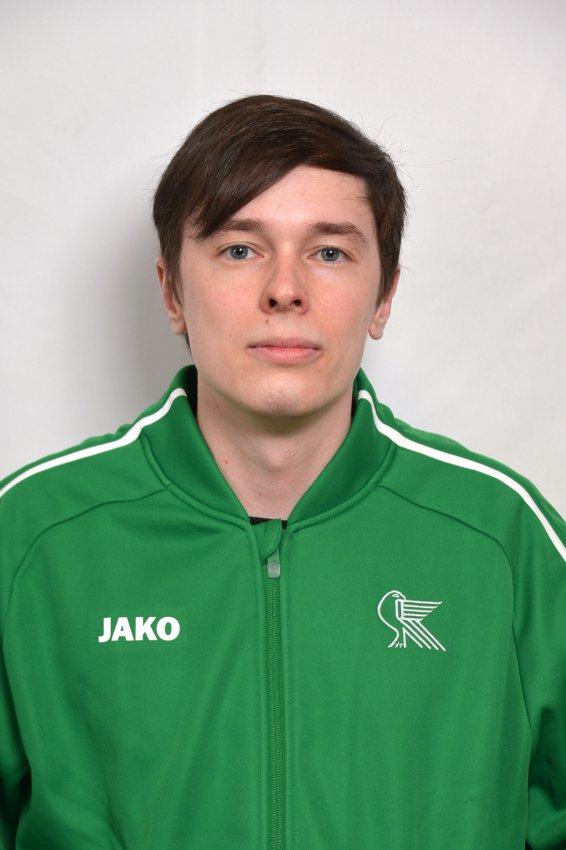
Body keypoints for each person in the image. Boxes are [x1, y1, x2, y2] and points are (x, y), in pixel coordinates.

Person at [0, 94, 564, 850]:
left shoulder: (503, 538)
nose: (285, 289)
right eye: (240, 249)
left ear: (383, 298)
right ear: (171, 292)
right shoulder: (31, 536)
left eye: (329, 252)